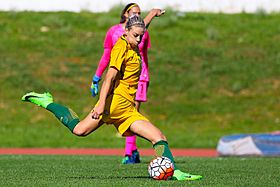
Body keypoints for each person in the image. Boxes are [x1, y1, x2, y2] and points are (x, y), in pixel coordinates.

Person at [22, 15, 202, 181]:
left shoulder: (133, 41)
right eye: (136, 36)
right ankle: (47, 102)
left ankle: (176, 172)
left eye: (141, 36)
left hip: (128, 110)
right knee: (79, 130)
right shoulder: (121, 48)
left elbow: (139, 27)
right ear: (126, 32)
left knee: (158, 137)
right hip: (112, 105)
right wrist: (100, 105)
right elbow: (109, 77)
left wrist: (152, 15)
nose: (139, 40)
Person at [90, 3, 164, 164]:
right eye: (133, 13)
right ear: (125, 14)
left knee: (133, 114)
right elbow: (107, 57)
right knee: (83, 129)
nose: (136, 16)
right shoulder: (115, 33)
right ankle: (131, 152)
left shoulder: (140, 31)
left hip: (140, 77)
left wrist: (152, 14)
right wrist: (97, 76)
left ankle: (130, 152)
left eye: (139, 13)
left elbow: (143, 47)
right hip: (121, 81)